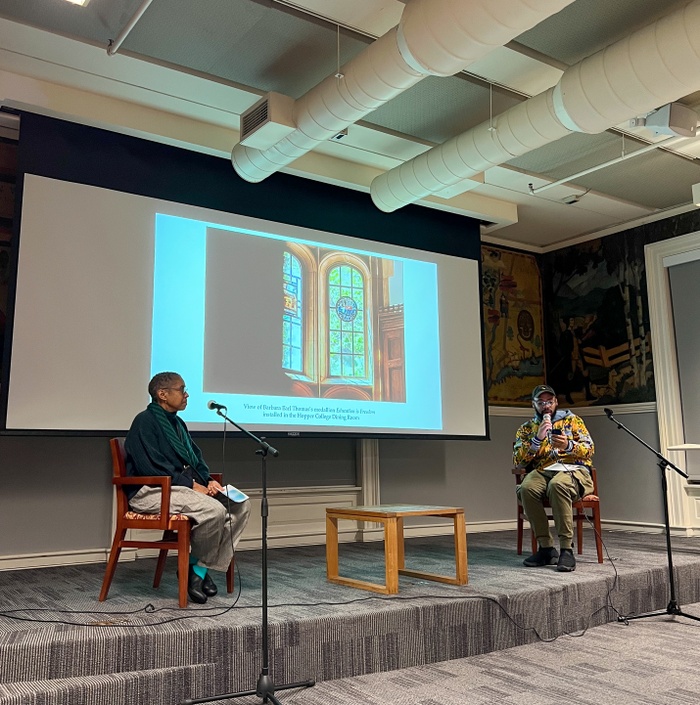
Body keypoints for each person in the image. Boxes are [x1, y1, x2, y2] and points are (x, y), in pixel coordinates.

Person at [125, 371, 251, 603]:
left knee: (240, 506)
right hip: (151, 492)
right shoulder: (144, 421)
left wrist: (208, 481)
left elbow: (194, 458)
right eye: (181, 390)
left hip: (179, 489)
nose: (186, 394)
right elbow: (151, 468)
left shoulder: (178, 423)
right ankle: (197, 573)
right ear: (162, 394)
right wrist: (192, 485)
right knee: (214, 511)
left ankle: (198, 570)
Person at [513, 384, 595, 572]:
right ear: (534, 405)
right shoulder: (527, 428)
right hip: (543, 470)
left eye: (549, 401)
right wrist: (537, 440)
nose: (546, 406)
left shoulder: (573, 421)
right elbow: (518, 460)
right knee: (526, 488)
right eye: (541, 402)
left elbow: (590, 450)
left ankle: (566, 549)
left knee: (558, 485)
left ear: (556, 402)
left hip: (573, 470)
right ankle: (546, 548)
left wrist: (568, 445)